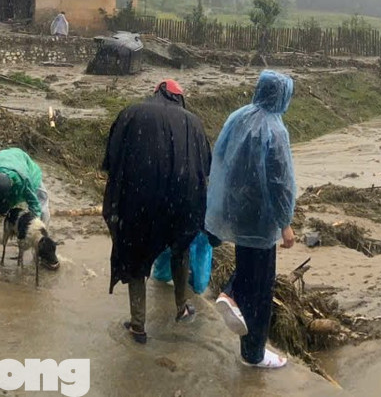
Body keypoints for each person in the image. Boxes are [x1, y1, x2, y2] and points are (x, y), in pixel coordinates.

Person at [102, 80, 212, 344]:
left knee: (135, 253)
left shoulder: (132, 112)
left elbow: (111, 159)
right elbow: (205, 167)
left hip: (141, 198)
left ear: (157, 93)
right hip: (181, 201)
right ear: (178, 98)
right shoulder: (194, 123)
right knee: (180, 247)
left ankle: (138, 326)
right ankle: (182, 308)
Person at [206, 70, 297, 369]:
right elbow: (280, 181)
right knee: (261, 288)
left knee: (249, 268)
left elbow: (220, 158)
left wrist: (222, 205)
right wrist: (285, 223)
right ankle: (254, 353)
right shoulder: (275, 130)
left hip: (237, 209)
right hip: (261, 217)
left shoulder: (239, 117)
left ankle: (232, 293)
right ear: (281, 96)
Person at [0, 148, 57, 274]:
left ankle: (41, 251)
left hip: (25, 169)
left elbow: (34, 205)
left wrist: (32, 231)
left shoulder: (23, 181)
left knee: (43, 211)